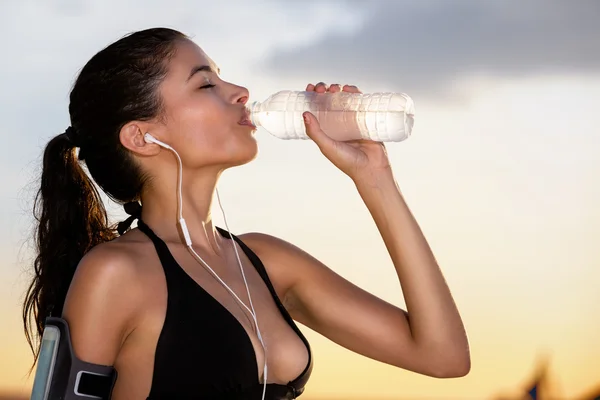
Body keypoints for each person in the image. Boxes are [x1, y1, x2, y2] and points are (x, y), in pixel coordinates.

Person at [22, 27, 470, 400]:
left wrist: (375, 178)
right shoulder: (115, 273)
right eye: (205, 85)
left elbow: (443, 356)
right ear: (141, 137)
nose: (240, 92)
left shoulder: (267, 262)